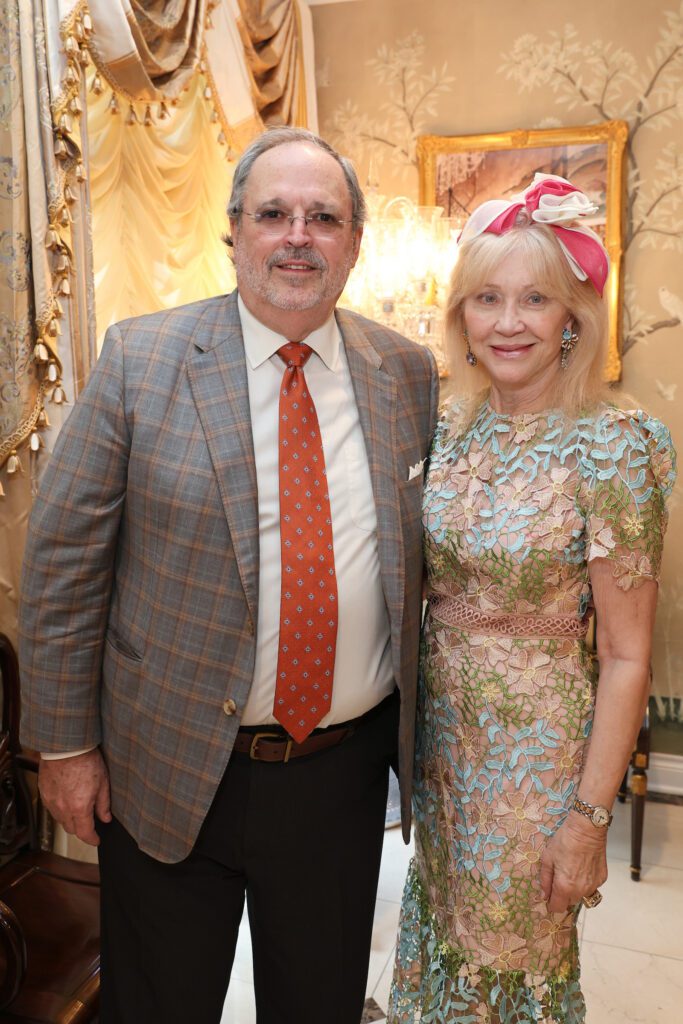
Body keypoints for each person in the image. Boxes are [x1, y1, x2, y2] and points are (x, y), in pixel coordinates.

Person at [18, 126, 439, 1024]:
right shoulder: (143, 358)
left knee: (318, 1005)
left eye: (323, 217)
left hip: (340, 774)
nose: (298, 235)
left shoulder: (405, 372)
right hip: (167, 767)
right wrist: (63, 746)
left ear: (354, 241)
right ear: (235, 232)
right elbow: (61, 563)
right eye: (273, 214)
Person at [388, 174, 676, 1023]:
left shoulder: (616, 447)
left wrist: (588, 820)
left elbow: (627, 655)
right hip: (443, 751)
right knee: (441, 935)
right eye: (486, 298)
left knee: (517, 960)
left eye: (533, 300)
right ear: (461, 318)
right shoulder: (441, 428)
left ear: (570, 319)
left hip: (536, 762)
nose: (507, 322)